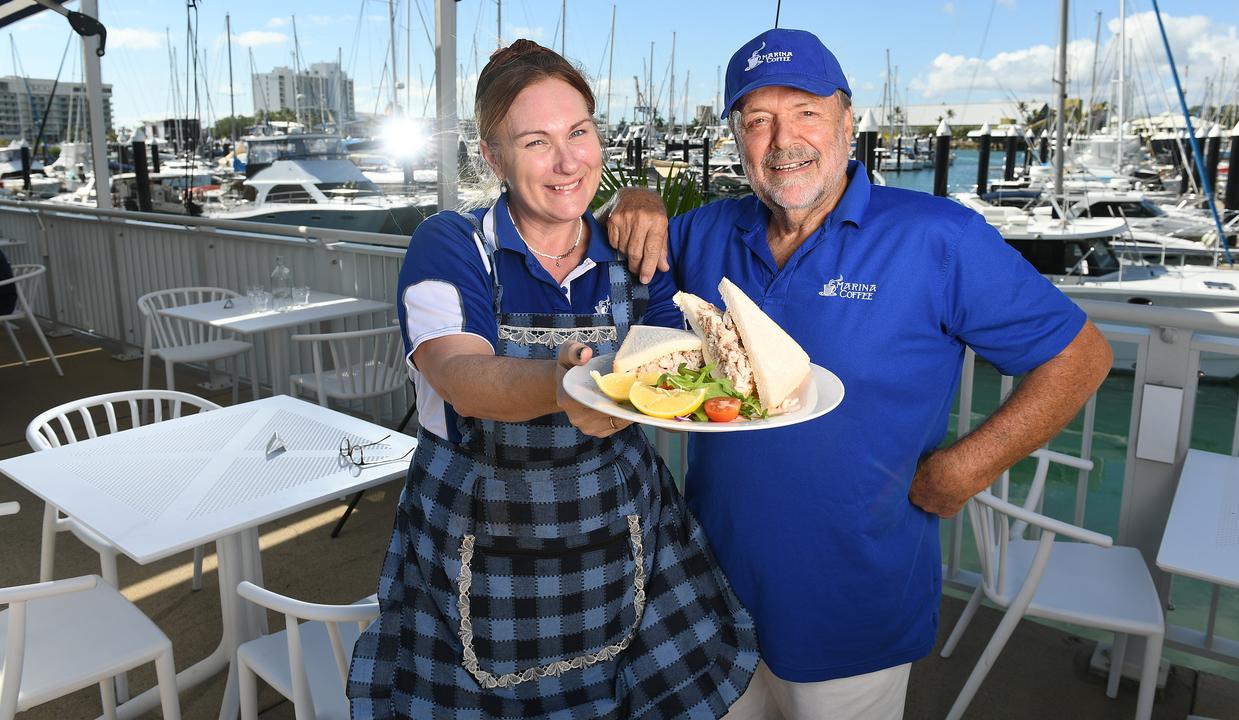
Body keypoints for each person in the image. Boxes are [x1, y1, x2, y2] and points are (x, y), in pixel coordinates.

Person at [604, 28, 1113, 719]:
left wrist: (970, 465)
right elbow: (628, 298)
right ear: (736, 137)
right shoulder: (705, 233)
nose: (783, 140)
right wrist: (635, 201)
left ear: (849, 122)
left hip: (855, 610)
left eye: (807, 112)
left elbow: (1080, 358)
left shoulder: (939, 238)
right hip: (710, 599)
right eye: (758, 120)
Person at [346, 39, 758, 719]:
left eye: (580, 132)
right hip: (481, 547)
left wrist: (644, 198)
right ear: (493, 156)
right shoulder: (453, 244)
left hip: (622, 540)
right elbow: (460, 373)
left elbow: (676, 364)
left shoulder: (632, 255)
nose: (568, 162)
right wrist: (564, 389)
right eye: (536, 141)